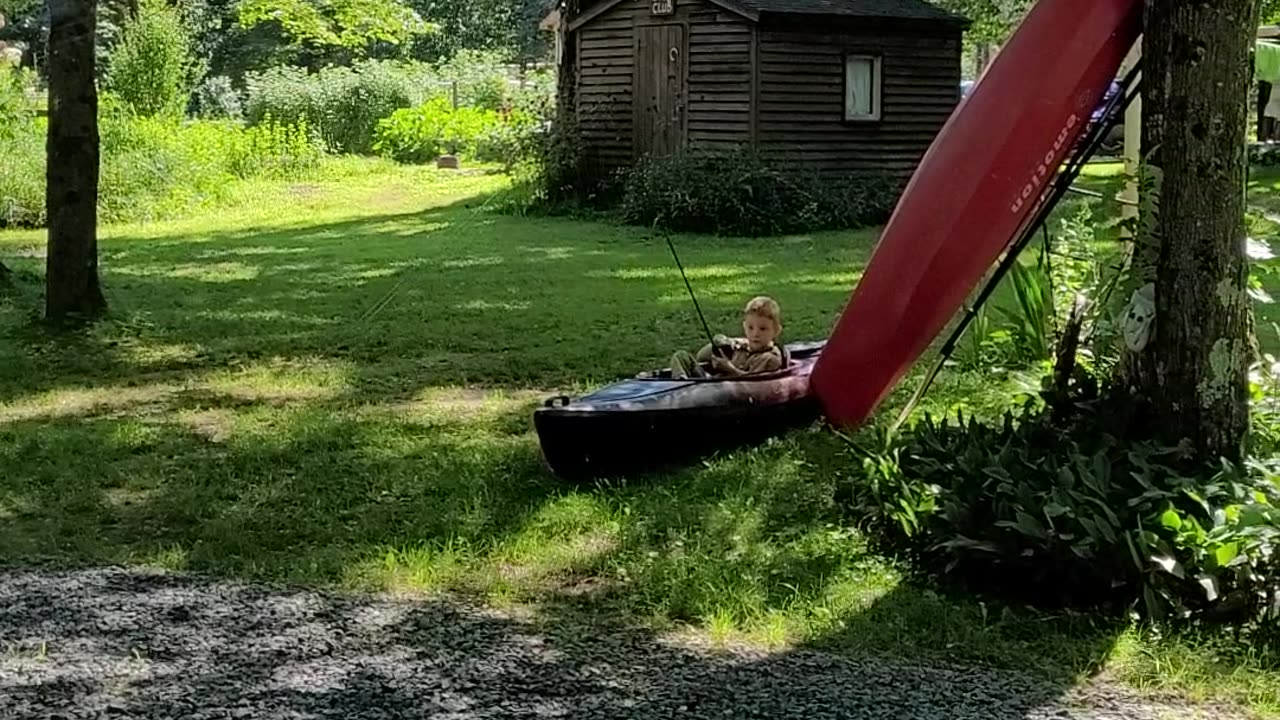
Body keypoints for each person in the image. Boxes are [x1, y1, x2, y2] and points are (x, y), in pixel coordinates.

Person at [670, 296, 784, 379]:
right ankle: (680, 383)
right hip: (710, 385)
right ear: (744, 327)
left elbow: (755, 383)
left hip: (730, 396)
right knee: (681, 356)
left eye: (763, 329)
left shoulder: (770, 359)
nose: (755, 334)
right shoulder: (741, 346)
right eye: (750, 328)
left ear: (776, 331)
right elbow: (701, 358)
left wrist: (729, 369)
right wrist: (719, 343)